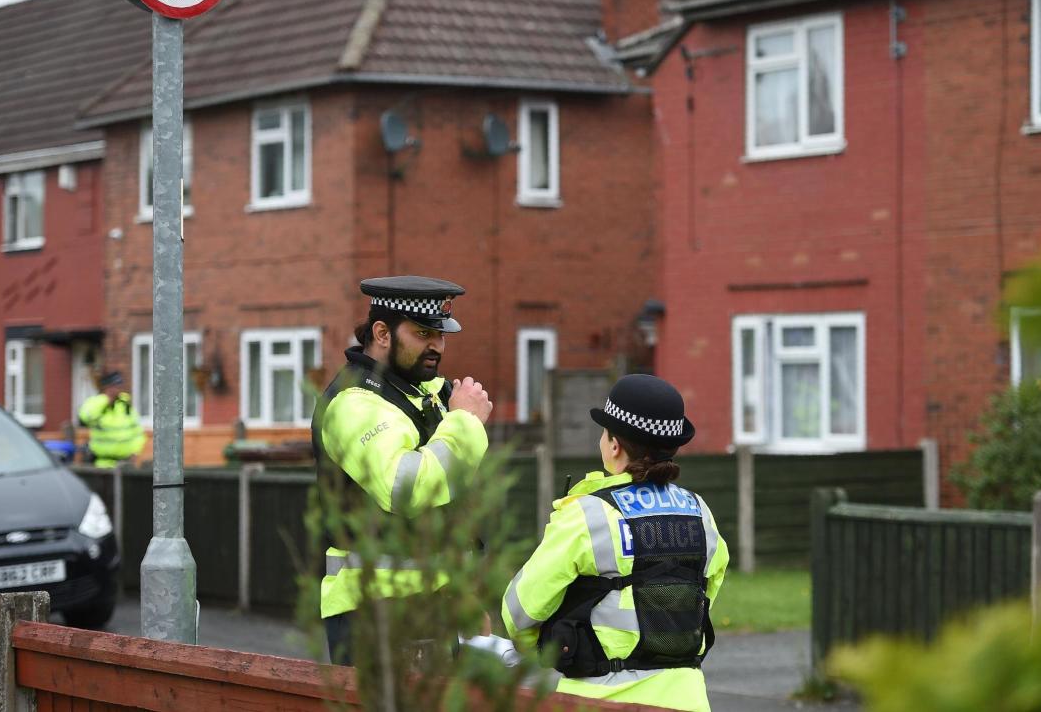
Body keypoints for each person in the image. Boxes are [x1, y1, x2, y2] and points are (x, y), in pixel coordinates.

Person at [502, 374, 729, 712]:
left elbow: (519, 612)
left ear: (613, 445)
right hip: (689, 700)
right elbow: (703, 594)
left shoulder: (588, 514)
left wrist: (550, 647)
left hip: (599, 699)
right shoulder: (700, 513)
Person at [312, 275, 493, 666]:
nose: (437, 346)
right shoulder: (354, 403)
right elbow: (406, 488)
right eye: (423, 333)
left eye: (441, 335)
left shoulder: (423, 392)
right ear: (381, 332)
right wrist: (464, 423)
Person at [77, 371, 146, 468]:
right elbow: (85, 417)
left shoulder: (125, 405)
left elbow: (137, 431)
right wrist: (105, 400)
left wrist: (135, 451)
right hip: (102, 464)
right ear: (106, 388)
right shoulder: (96, 402)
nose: (116, 390)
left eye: (118, 387)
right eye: (113, 387)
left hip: (125, 464)